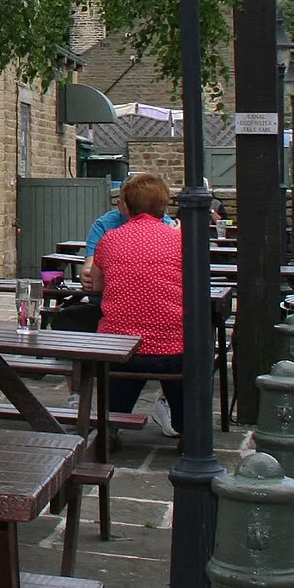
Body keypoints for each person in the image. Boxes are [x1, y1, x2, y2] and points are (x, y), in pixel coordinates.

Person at [91, 172, 185, 438]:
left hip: (119, 347)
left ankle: (109, 426)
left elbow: (96, 285)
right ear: (164, 207)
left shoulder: (109, 239)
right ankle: (188, 429)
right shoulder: (180, 241)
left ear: (126, 206)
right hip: (173, 348)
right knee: (186, 366)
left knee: (119, 378)